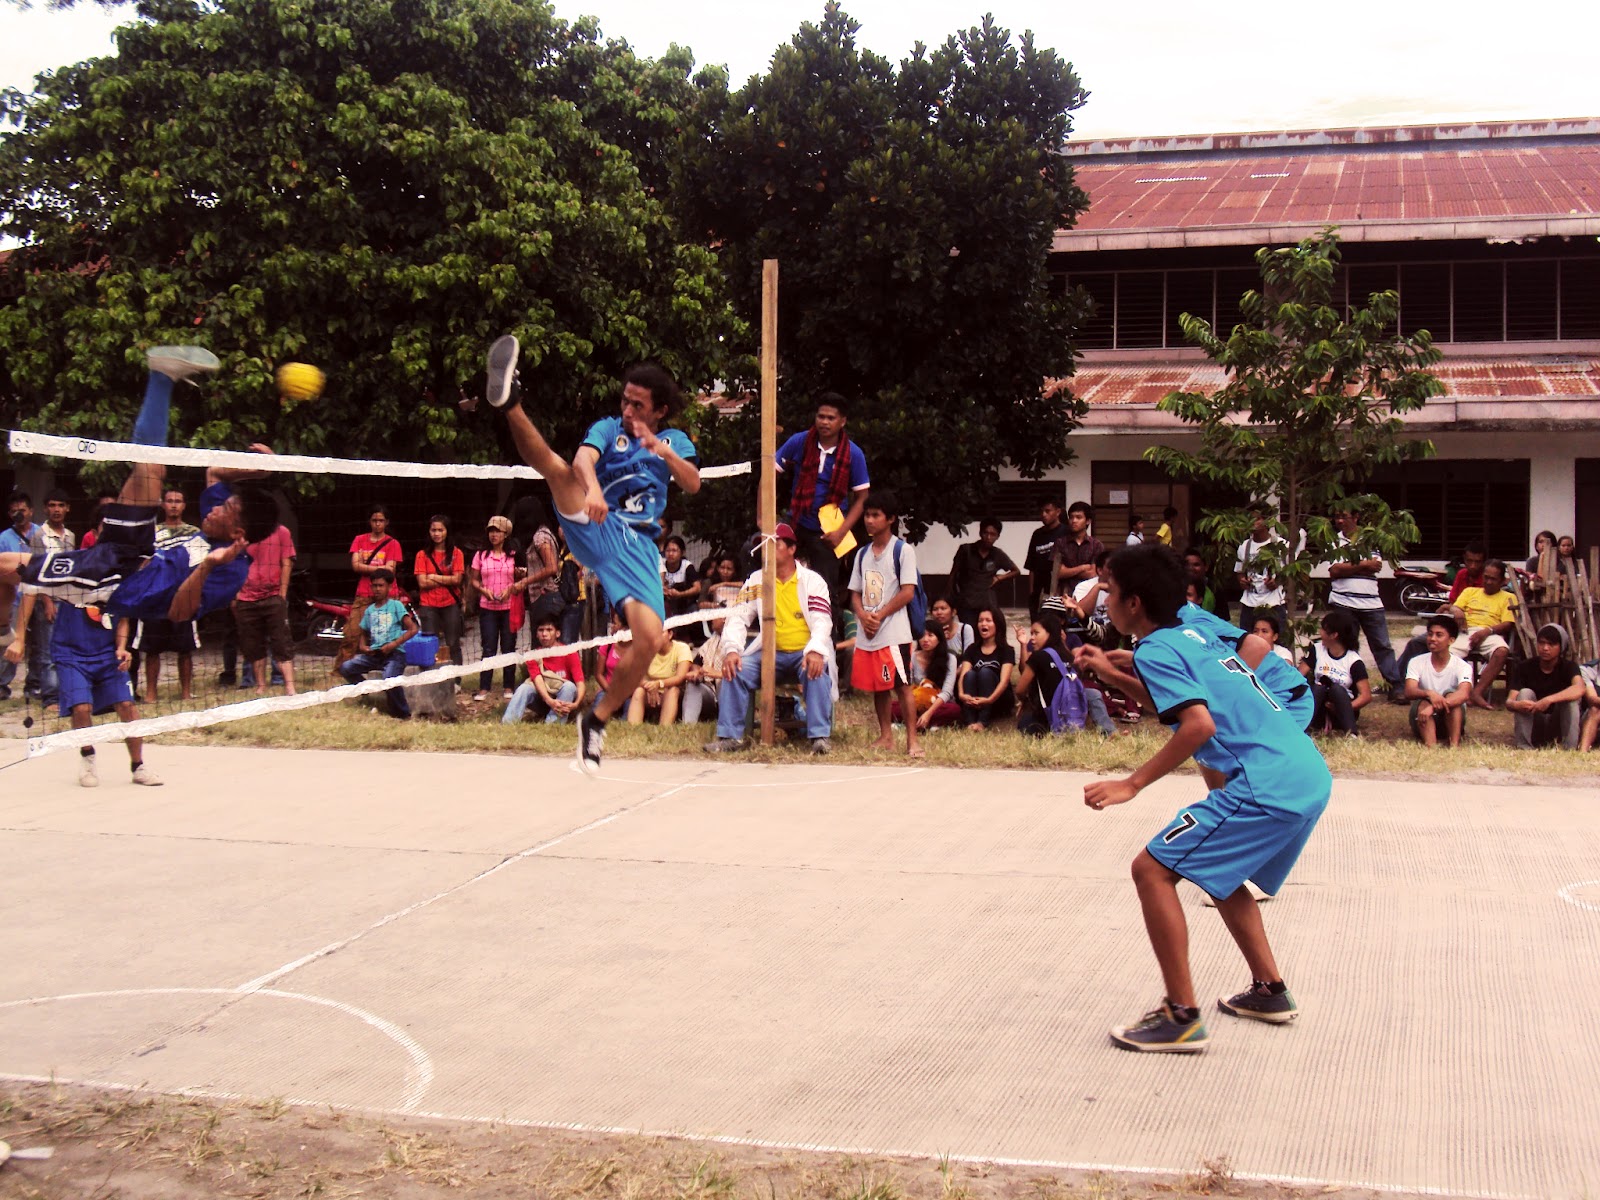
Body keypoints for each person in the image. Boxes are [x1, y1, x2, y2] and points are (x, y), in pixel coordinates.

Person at [1084, 544, 1330, 1052]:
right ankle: (1269, 990)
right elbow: (1178, 705)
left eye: (1107, 591)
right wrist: (1114, 676)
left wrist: (1132, 784)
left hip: (1267, 783)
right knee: (1218, 871)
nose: (1103, 599)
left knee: (1151, 870)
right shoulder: (1192, 634)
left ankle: (1181, 1016)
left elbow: (1196, 725)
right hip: (1305, 773)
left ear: (1132, 603)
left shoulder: (1157, 648)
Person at [484, 337, 699, 774]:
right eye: (625, 401)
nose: (628, 411)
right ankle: (511, 401)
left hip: (638, 550)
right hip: (596, 524)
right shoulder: (608, 429)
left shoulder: (672, 438)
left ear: (658, 411)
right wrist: (596, 489)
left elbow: (693, 482)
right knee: (559, 470)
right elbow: (583, 460)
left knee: (648, 639)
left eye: (638, 405)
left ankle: (594, 724)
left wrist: (659, 447)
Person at [1, 348, 279, 642]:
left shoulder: (230, 571)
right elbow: (214, 472)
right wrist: (259, 470)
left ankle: (3, 626)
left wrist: (208, 565)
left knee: (5, 564)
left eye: (225, 509)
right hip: (137, 551)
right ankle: (162, 375)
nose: (213, 509)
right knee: (150, 466)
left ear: (238, 531)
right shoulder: (218, 526)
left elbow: (179, 614)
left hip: (115, 581)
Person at [4, 587, 161, 788]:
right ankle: (88, 757)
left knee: (127, 706)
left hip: (107, 653)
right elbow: (31, 588)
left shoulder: (116, 579)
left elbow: (123, 619)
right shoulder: (71, 575)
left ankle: (138, 766)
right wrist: (19, 639)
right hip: (70, 654)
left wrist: (121, 648)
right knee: (81, 707)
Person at [705, 522, 835, 752]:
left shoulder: (811, 581)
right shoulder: (756, 580)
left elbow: (822, 621)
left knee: (817, 670)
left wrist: (815, 649)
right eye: (763, 546)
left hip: (803, 654)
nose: (766, 550)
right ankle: (730, 738)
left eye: (773, 544)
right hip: (768, 654)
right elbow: (738, 617)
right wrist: (732, 649)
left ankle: (819, 737)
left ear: (792, 549)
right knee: (735, 669)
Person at [774, 393, 870, 602]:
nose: (824, 422)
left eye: (831, 418)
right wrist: (764, 520)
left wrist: (840, 533)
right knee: (759, 557)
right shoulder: (799, 441)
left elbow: (863, 498)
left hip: (828, 532)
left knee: (825, 592)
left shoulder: (854, 454)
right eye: (821, 416)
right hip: (796, 521)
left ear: (842, 421)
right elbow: (769, 474)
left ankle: (828, 635)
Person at [849, 492, 922, 757]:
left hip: (894, 632)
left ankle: (912, 741)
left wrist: (878, 615)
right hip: (868, 632)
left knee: (902, 685)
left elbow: (907, 592)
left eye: (875, 515)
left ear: (890, 519)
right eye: (867, 515)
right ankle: (886, 736)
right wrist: (862, 615)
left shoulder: (903, 551)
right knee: (877, 686)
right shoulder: (861, 554)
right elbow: (854, 592)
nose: (869, 520)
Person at [132, 484, 204, 704]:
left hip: (183, 597)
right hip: (155, 597)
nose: (173, 505)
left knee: (185, 648)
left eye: (178, 501)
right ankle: (151, 693)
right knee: (152, 648)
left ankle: (185, 693)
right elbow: (143, 563)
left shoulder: (194, 533)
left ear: (184, 506)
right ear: (163, 504)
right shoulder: (152, 532)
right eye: (170, 501)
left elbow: (199, 567)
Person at [1325, 507, 1401, 695]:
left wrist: (1349, 567)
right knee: (1347, 645)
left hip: (1371, 603)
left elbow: (1375, 566)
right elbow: (1334, 570)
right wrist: (1363, 564)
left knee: (1382, 645)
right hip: (1343, 601)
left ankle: (1395, 686)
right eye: (1337, 517)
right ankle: (1351, 686)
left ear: (1356, 517)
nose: (1340, 521)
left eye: (1344, 516)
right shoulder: (1333, 541)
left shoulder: (1369, 539)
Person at [336, 569, 415, 719]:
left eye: (381, 585)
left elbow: (413, 629)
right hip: (375, 654)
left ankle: (402, 713)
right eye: (374, 586)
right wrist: (363, 647)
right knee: (346, 667)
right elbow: (362, 631)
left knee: (390, 677)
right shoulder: (370, 610)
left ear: (389, 588)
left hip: (394, 654)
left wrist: (394, 644)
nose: (377, 589)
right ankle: (368, 692)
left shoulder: (396, 606)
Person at [233, 517, 297, 696]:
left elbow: (287, 562)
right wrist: (237, 592)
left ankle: (290, 687)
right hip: (247, 597)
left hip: (273, 596)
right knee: (253, 644)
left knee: (282, 642)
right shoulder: (242, 533)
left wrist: (282, 593)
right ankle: (261, 685)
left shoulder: (282, 531)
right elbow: (234, 562)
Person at [1444, 559, 1518, 709]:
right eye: (1486, 577)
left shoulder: (1508, 597)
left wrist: (1487, 631)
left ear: (1503, 581)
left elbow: (1508, 623)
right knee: (1447, 653)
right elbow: (1454, 607)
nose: (1488, 582)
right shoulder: (1470, 591)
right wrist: (1457, 611)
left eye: (1493, 579)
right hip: (1466, 631)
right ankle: (1461, 692)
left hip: (1491, 632)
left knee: (1502, 651)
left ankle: (1477, 693)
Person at [1506, 623, 1585, 749]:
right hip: (1534, 721)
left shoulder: (1569, 667)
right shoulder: (1524, 667)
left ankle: (1569, 748)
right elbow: (1510, 701)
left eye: (1551, 644)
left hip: (1558, 722)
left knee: (1571, 700)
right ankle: (1524, 746)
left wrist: (1549, 700)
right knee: (1525, 693)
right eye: (1541, 643)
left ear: (1561, 647)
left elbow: (1579, 688)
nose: (1545, 648)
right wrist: (1516, 705)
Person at [470, 515, 523, 700]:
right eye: (491, 531)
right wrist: (483, 591)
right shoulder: (481, 555)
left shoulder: (514, 555)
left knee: (509, 646)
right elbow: (474, 580)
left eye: (498, 531)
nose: (494, 535)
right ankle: (484, 687)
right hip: (487, 607)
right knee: (488, 647)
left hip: (509, 606)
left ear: (506, 534)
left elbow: (522, 578)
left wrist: (513, 586)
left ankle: (509, 686)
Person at [343, 503, 403, 661]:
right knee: (352, 633)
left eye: (381, 520)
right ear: (369, 521)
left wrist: (366, 566)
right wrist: (380, 567)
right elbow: (355, 566)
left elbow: (391, 570)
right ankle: (341, 670)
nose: (378, 524)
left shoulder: (393, 543)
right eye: (374, 520)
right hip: (364, 592)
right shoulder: (359, 540)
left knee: (387, 635)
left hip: (388, 595)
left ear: (387, 522)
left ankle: (386, 668)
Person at [1403, 614, 1472, 748]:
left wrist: (1434, 706)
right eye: (1430, 634)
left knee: (1452, 695)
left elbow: (1464, 693)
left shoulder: (1462, 666)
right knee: (1422, 701)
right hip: (1422, 716)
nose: (1432, 639)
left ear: (1451, 640)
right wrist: (1429, 694)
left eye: (1439, 635)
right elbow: (1409, 691)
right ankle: (1431, 745)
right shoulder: (1416, 662)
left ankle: (1454, 745)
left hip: (1451, 718)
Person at [504, 615, 584, 724]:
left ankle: (553, 724)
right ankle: (508, 723)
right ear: (536, 634)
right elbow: (537, 679)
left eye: (549, 630)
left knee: (569, 687)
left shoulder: (569, 653)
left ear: (557, 633)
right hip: (544, 699)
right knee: (524, 688)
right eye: (541, 630)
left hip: (564, 701)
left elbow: (580, 682)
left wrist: (576, 704)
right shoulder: (533, 655)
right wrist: (549, 701)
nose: (544, 634)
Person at [1304, 609, 1371, 736]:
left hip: (1342, 710)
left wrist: (1344, 708)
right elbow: (1299, 674)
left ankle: (1351, 733)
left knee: (1337, 689)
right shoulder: (1317, 650)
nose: (1320, 632)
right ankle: (1303, 727)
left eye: (1323, 629)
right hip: (1319, 706)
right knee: (1319, 687)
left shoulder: (1353, 660)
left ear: (1334, 635)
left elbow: (1366, 696)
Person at [948, 518, 1020, 630]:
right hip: (966, 602)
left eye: (993, 534)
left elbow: (1016, 571)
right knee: (969, 634)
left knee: (987, 635)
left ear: (998, 536)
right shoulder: (966, 550)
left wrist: (999, 578)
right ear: (980, 533)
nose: (988, 537)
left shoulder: (997, 554)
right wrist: (951, 599)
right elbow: (953, 574)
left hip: (987, 603)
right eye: (986, 533)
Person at [414, 515, 465, 667]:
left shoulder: (457, 553)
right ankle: (432, 678)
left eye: (440, 530)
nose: (437, 534)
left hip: (450, 603)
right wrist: (446, 579)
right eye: (433, 530)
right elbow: (422, 582)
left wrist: (434, 577)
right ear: (429, 532)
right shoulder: (421, 555)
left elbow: (457, 580)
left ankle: (456, 679)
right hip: (428, 604)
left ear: (447, 532)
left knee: (453, 642)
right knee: (430, 643)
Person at [955, 607, 1014, 730]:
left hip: (997, 699)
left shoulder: (1006, 650)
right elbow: (964, 674)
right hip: (975, 699)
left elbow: (1004, 682)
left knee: (985, 672)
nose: (983, 624)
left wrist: (988, 700)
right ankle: (970, 721)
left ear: (997, 624)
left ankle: (983, 721)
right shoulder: (972, 649)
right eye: (980, 620)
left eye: (988, 620)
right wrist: (961, 694)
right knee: (970, 675)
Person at [1235, 504, 1287, 631]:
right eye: (1250, 519)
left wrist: (1278, 581)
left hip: (1273, 603)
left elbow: (1290, 573)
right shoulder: (1244, 546)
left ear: (1267, 521)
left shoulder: (1281, 544)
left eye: (1257, 519)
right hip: (1250, 603)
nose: (1253, 523)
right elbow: (1239, 571)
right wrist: (1242, 580)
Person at [629, 626, 692, 725]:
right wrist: (649, 686)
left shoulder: (682, 648)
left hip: (672, 692)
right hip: (650, 692)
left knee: (673, 690)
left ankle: (664, 728)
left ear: (670, 635)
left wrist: (659, 684)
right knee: (639, 691)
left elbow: (680, 677)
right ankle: (633, 728)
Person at [517, 496, 563, 630]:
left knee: (544, 643)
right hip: (545, 597)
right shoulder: (544, 533)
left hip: (546, 596)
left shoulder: (540, 537)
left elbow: (551, 567)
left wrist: (526, 581)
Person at [1053, 501, 1105, 598]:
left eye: (1078, 517)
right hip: (1064, 595)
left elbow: (1093, 573)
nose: (1074, 521)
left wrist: (1068, 572)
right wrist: (1083, 568)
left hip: (1088, 595)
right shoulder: (1060, 543)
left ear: (1088, 521)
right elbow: (1058, 573)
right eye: (1071, 517)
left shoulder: (1096, 545)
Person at [1024, 498, 1065, 616]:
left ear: (1057, 512)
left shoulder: (1065, 533)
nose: (1043, 515)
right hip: (1038, 592)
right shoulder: (1037, 534)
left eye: (1048, 511)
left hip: (1057, 591)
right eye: (1041, 511)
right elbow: (1031, 566)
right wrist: (1032, 593)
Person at [661, 534, 701, 640]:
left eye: (674, 551)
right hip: (665, 602)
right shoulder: (660, 565)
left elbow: (697, 587)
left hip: (684, 603)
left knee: (694, 609)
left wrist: (680, 594)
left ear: (682, 552)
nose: (670, 554)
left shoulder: (687, 566)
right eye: (668, 551)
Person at [1181, 548, 1228, 622]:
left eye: (1196, 565)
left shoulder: (1215, 589)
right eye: (1187, 565)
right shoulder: (1176, 587)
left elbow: (1223, 621)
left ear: (1206, 567)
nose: (1190, 568)